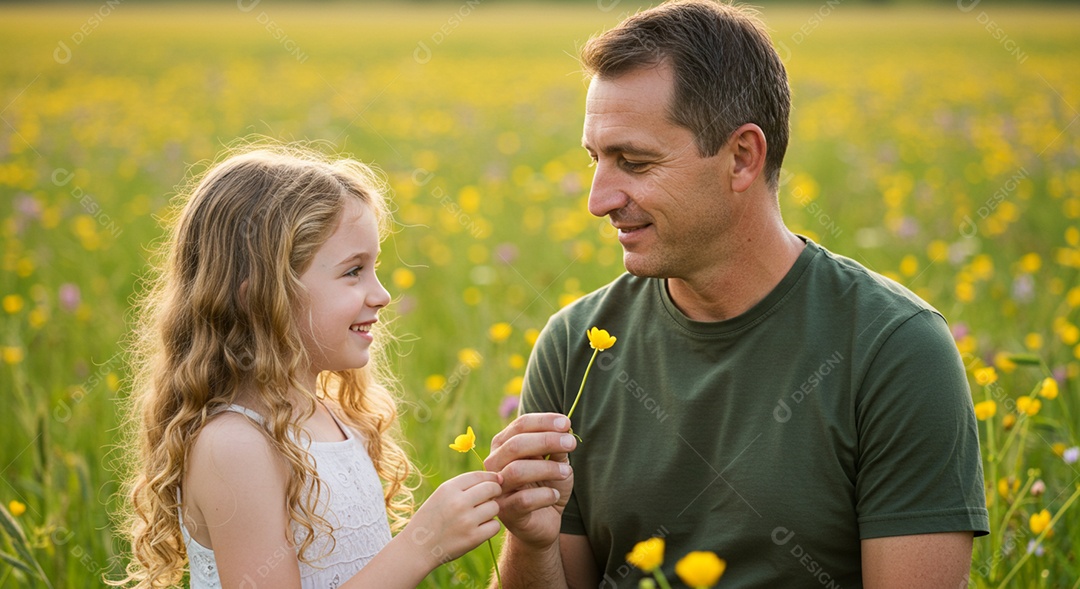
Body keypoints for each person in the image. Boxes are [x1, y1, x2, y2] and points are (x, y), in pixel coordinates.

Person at [485, 1, 989, 587]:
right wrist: (528, 536)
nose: (598, 199)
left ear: (742, 157)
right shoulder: (578, 345)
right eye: (596, 159)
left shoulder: (894, 350)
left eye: (635, 162)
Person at [113, 144, 503, 588]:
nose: (382, 295)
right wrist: (421, 545)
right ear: (260, 296)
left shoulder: (336, 417)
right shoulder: (235, 446)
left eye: (374, 267)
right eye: (353, 271)